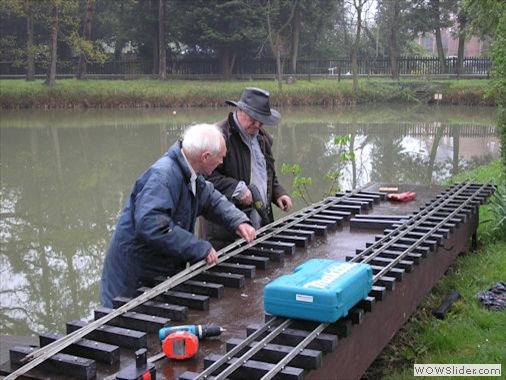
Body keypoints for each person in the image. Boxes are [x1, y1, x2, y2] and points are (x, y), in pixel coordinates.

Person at [99, 123, 257, 307]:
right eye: (220, 157)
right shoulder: (163, 176)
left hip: (157, 272)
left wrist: (238, 222)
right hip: (133, 280)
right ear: (205, 157)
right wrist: (198, 247)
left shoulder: (190, 173)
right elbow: (152, 225)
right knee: (123, 329)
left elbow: (211, 199)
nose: (222, 162)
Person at [203, 87, 292, 250]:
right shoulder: (216, 136)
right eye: (254, 118)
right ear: (240, 110)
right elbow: (203, 178)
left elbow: (267, 174)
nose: (258, 124)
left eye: (262, 120)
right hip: (225, 234)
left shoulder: (263, 138)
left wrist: (279, 193)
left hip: (259, 222)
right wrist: (236, 188)